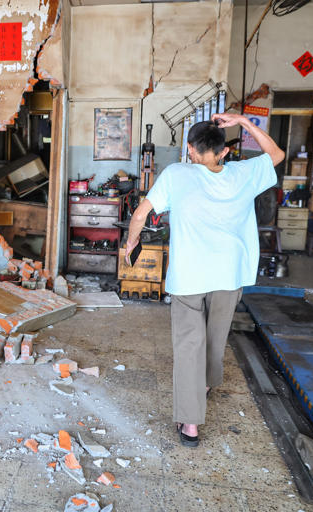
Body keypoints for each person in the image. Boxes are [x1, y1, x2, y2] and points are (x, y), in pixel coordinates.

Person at [124, 113, 284, 447]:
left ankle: (191, 423)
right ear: (224, 152)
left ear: (191, 150)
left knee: (188, 345)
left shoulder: (177, 173)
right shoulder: (244, 173)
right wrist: (243, 121)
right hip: (229, 273)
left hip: (189, 277)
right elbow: (276, 155)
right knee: (215, 337)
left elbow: (141, 214)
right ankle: (206, 386)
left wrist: (131, 243)